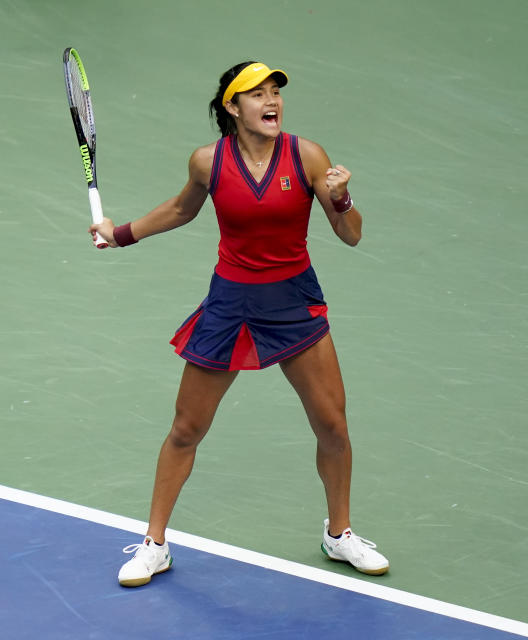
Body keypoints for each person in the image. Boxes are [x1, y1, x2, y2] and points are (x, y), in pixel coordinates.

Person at [90, 61, 389, 587]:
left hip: (294, 304)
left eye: (276, 92)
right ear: (233, 108)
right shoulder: (209, 161)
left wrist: (341, 197)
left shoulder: (307, 155)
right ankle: (154, 545)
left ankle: (338, 535)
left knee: (333, 426)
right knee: (186, 429)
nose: (272, 101)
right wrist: (122, 234)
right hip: (230, 305)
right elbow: (182, 209)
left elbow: (352, 235)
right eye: (258, 94)